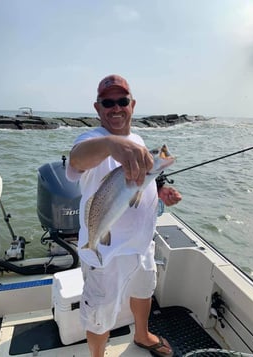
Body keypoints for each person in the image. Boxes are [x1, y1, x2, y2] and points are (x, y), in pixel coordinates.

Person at [67, 74, 182, 357]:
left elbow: (138, 180)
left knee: (144, 291)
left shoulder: (138, 138)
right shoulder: (91, 139)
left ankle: (141, 334)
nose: (116, 107)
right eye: (108, 102)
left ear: (132, 104)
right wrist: (110, 145)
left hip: (141, 243)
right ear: (98, 108)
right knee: (100, 312)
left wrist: (161, 189)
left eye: (122, 101)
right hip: (106, 251)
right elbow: (76, 159)